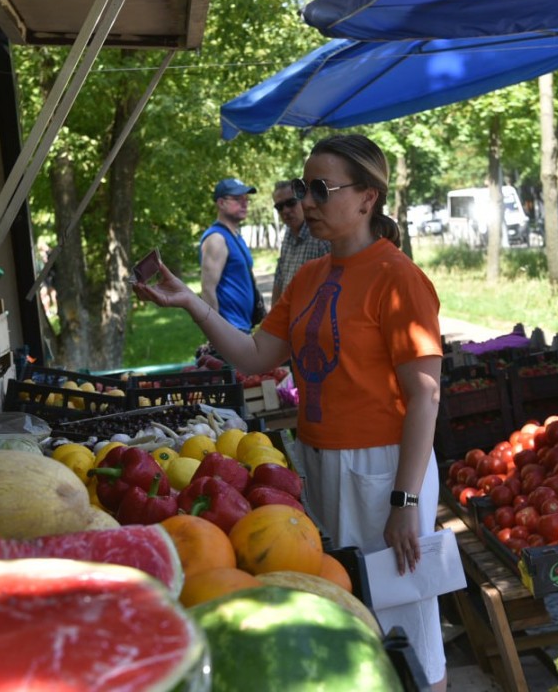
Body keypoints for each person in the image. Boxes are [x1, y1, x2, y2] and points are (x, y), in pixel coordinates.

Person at [133, 134, 448, 690]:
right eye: (304, 188)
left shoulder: (398, 278)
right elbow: (256, 353)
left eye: (320, 189)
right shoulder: (309, 277)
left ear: (367, 197)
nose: (306, 202)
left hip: (384, 471)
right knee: (351, 622)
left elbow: (425, 395)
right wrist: (190, 303)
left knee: (406, 632)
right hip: (319, 462)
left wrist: (405, 500)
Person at [199, 177, 259, 332]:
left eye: (246, 199)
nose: (244, 203)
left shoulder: (236, 236)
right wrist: (215, 335)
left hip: (243, 328)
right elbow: (207, 290)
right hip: (229, 331)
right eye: (237, 199)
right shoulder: (216, 239)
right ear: (221, 203)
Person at [270, 179, 330, 306]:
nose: (285, 211)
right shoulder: (287, 235)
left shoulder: (320, 237)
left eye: (291, 203)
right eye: (279, 207)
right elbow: (279, 278)